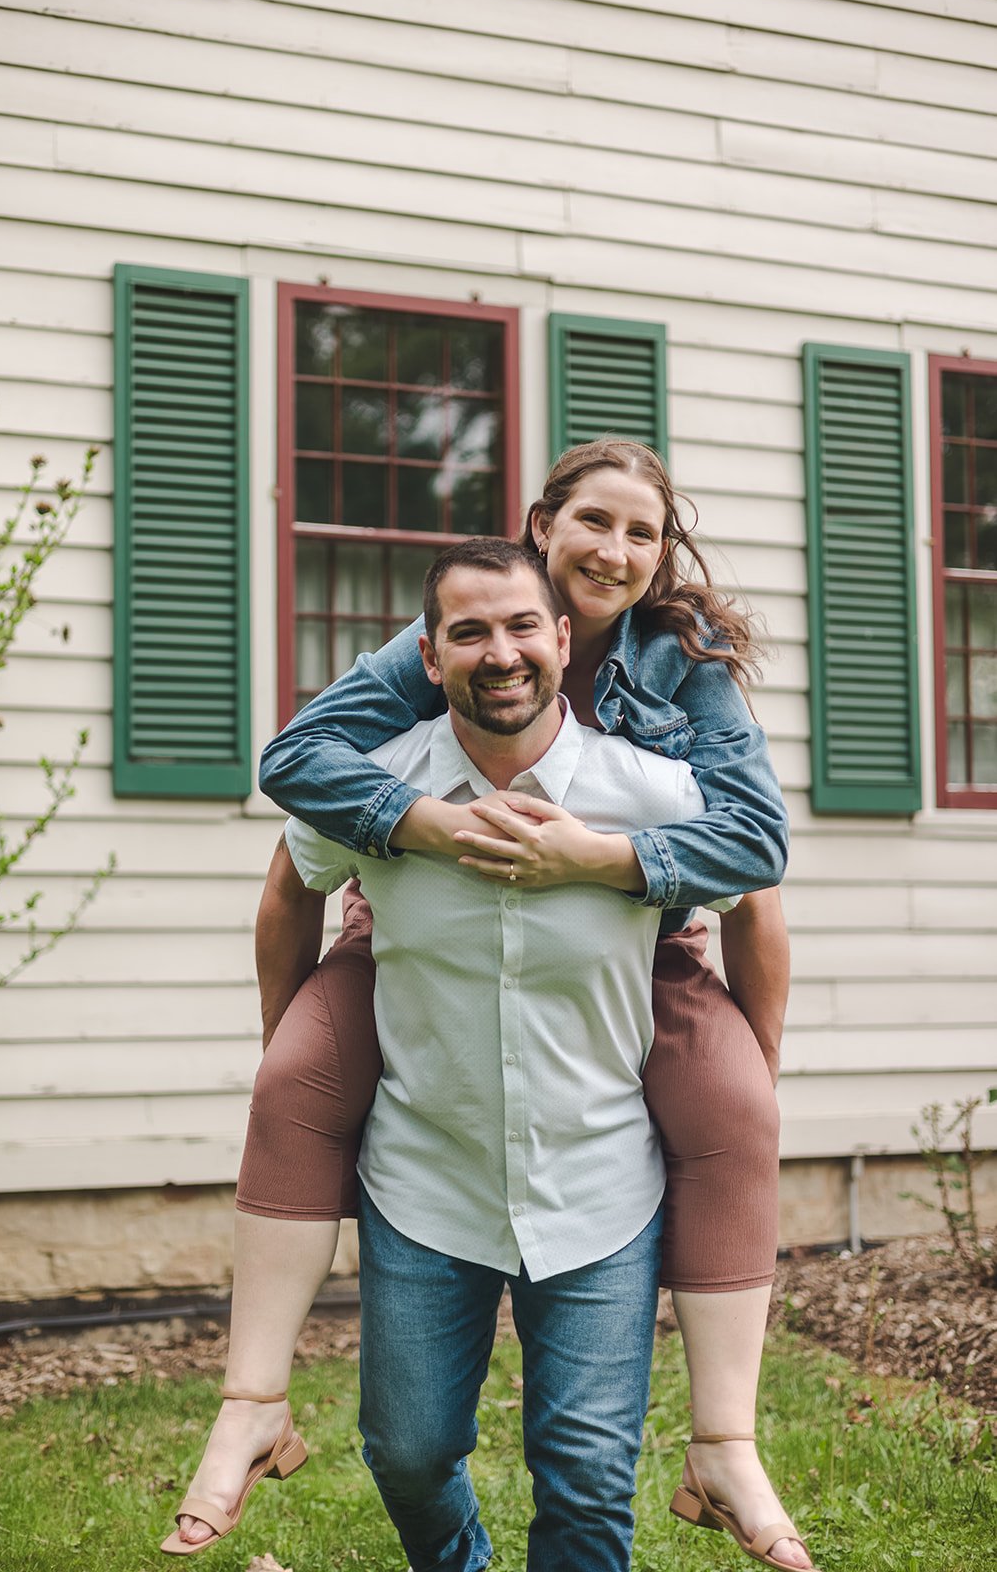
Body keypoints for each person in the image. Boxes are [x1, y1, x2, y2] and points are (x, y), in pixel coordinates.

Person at [166, 440, 812, 1571]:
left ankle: (725, 1442)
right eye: (591, 522)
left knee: (739, 1111)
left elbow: (754, 853)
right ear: (540, 526)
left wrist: (600, 859)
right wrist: (419, 827)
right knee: (292, 1084)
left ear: (655, 560)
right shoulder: (449, 643)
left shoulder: (676, 673)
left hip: (640, 932)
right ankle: (248, 1405)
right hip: (406, 944)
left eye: (640, 532)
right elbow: (294, 763)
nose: (611, 550)